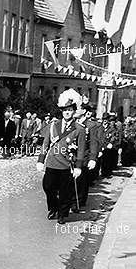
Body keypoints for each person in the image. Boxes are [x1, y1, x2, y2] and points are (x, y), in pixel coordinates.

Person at [37, 89, 86, 224]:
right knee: (48, 186)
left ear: (73, 111)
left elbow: (81, 149)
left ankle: (62, 214)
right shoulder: (54, 125)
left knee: (65, 191)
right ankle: (53, 207)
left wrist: (78, 167)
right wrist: (41, 160)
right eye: (65, 110)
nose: (67, 112)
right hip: (52, 162)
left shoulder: (79, 129)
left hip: (66, 165)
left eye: (70, 110)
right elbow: (45, 143)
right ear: (61, 111)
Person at [75, 103, 99, 211]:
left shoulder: (91, 125)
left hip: (84, 156)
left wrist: (93, 158)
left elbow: (93, 142)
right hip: (71, 156)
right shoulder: (71, 123)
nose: (74, 110)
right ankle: (70, 200)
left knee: (81, 181)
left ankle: (79, 202)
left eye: (78, 108)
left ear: (84, 111)